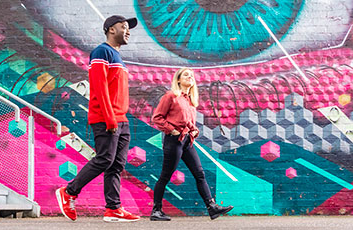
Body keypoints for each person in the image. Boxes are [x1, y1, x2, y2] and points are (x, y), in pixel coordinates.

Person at [55, 15, 141, 222]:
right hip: (106, 118)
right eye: (124, 27)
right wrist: (109, 117)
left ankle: (113, 209)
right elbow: (99, 87)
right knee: (105, 159)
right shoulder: (102, 52)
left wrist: (121, 118)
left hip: (121, 119)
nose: (128, 31)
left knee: (116, 164)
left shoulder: (118, 56)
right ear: (111, 29)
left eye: (129, 28)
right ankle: (69, 191)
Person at [149, 68, 234, 221]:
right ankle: (156, 211)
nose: (190, 77)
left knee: (199, 173)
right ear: (179, 80)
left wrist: (194, 131)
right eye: (186, 75)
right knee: (165, 176)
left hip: (187, 141)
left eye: (192, 75)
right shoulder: (171, 96)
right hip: (174, 141)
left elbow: (188, 122)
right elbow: (157, 117)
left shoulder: (190, 100)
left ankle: (212, 207)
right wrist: (172, 130)